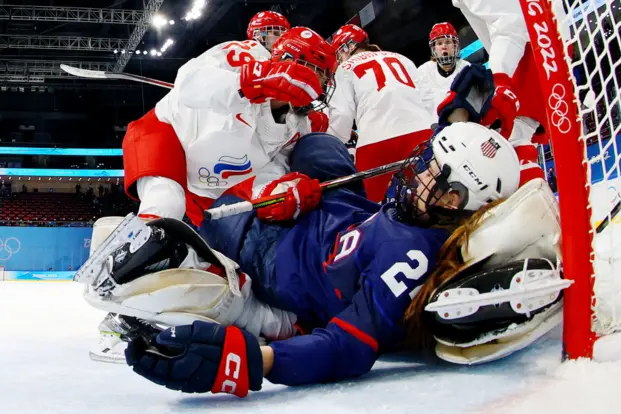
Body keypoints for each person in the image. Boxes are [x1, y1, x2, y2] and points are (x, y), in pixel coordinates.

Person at [113, 122, 537, 395]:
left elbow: (348, 348)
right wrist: (310, 188)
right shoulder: (415, 218)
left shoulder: (408, 258)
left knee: (193, 200)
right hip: (335, 219)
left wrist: (249, 361)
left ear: (453, 197)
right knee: (318, 145)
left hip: (277, 250)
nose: (417, 170)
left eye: (431, 170)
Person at [90, 25, 338, 363]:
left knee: (214, 267)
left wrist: (283, 191)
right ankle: (117, 311)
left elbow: (269, 172)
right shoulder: (245, 56)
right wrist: (251, 81)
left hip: (214, 187)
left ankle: (146, 313)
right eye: (320, 74)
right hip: (168, 137)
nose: (321, 86)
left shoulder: (301, 125)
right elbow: (188, 85)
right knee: (165, 205)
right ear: (298, 63)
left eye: (326, 79)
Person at [446, 0, 570, 186]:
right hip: (547, 51)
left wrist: (501, 79)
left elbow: (511, 26)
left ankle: (537, 210)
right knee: (518, 140)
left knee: (512, 142)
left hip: (531, 54)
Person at [326, 24, 433, 203]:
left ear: (349, 46)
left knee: (371, 208)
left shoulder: (344, 69)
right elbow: (428, 99)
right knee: (433, 197)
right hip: (421, 131)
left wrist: (329, 144)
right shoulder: (401, 58)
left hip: (375, 140)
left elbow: (342, 117)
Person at [416, 22, 471, 122]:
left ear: (455, 46)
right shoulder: (423, 72)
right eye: (439, 43)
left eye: (448, 42)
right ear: (434, 49)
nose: (444, 47)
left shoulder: (466, 68)